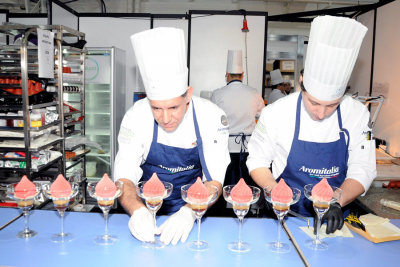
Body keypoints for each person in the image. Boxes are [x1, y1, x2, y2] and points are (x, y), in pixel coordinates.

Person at [247, 16, 376, 235]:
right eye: (314, 102)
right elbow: (257, 160)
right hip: (284, 215)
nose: (321, 113)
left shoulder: (357, 113)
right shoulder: (276, 112)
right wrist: (271, 188)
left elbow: (363, 167)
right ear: (301, 83)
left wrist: (337, 200)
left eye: (332, 105)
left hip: (335, 219)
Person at [114, 28, 230, 245]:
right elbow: (124, 175)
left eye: (174, 107)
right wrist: (137, 210)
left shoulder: (211, 116)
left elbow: (214, 181)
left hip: (195, 206)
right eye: (156, 108)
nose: (165, 118)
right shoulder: (136, 115)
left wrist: (188, 213)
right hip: (146, 204)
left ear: (189, 95)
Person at [210, 50, 264, 187]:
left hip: (225, 146)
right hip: (249, 146)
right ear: (243, 75)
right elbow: (263, 117)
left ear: (227, 75)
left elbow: (211, 120)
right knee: (247, 185)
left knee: (226, 183)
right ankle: (247, 208)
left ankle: (224, 208)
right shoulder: (254, 93)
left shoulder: (217, 94)